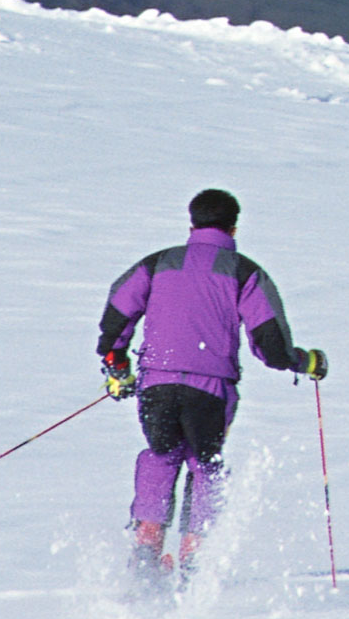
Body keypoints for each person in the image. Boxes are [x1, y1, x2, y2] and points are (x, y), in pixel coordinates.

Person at [96, 189, 326, 576]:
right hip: (211, 389)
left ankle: (145, 552)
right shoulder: (244, 272)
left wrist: (117, 366)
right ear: (234, 227)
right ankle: (193, 559)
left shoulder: (157, 263)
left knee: (161, 454)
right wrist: (306, 361)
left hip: (158, 381)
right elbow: (272, 346)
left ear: (192, 224)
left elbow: (118, 312)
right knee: (205, 464)